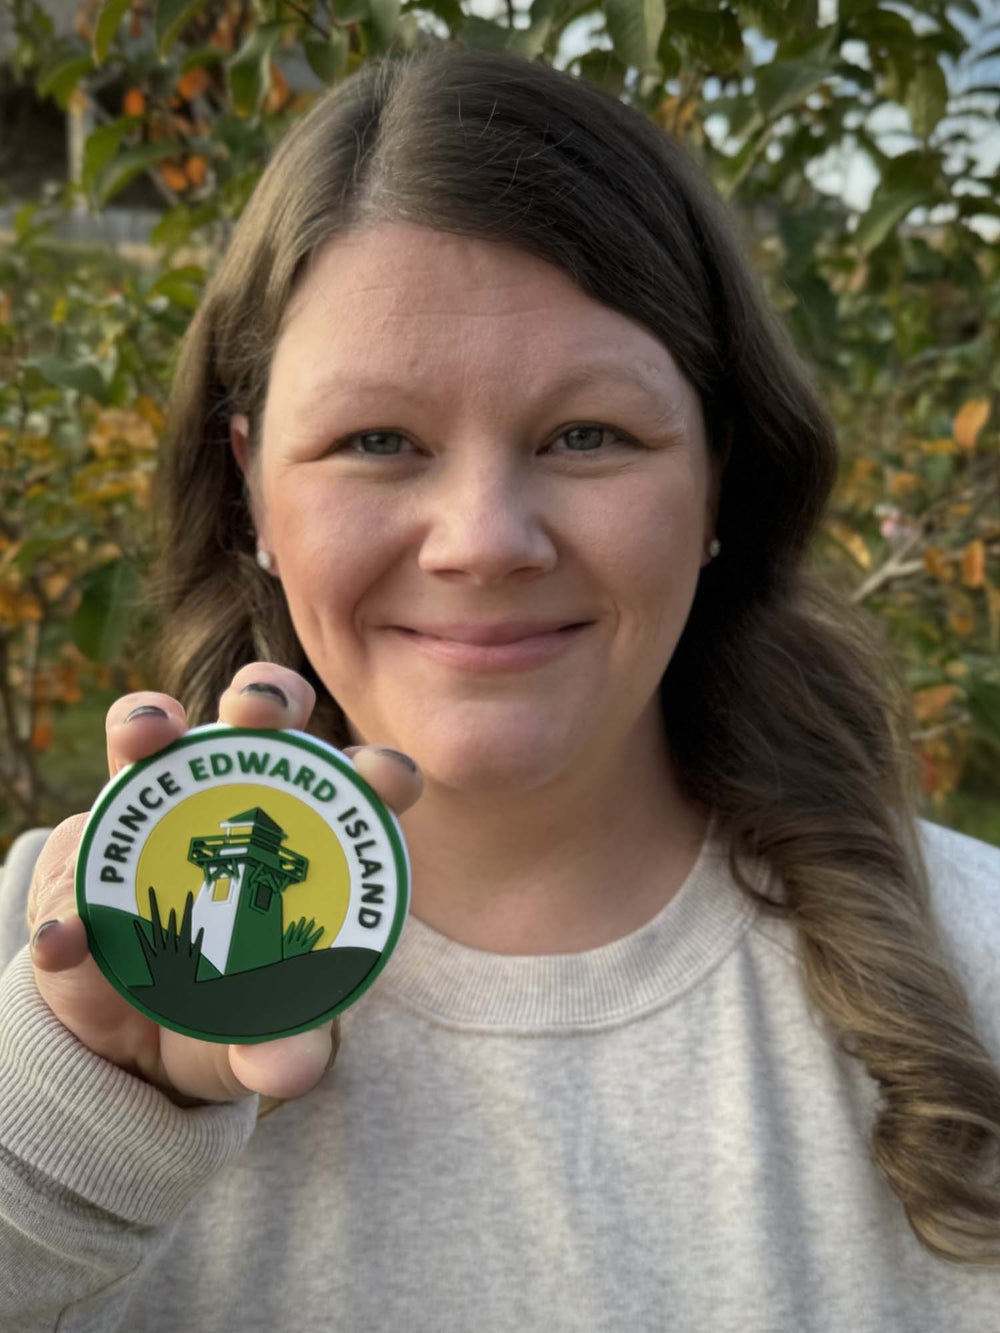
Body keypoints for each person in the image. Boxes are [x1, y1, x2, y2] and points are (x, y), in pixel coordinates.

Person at [1, 43, 998, 1332]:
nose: (483, 541)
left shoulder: (978, 967)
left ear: (719, 478)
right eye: (377, 440)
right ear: (250, 488)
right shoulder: (48, 969)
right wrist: (67, 1142)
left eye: (587, 435)